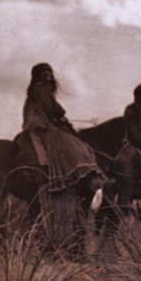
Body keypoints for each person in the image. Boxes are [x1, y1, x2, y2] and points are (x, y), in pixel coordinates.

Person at [22, 62, 104, 192]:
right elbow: (50, 109)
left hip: (37, 123)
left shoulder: (35, 89)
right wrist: (60, 117)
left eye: (49, 72)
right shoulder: (42, 87)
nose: (47, 74)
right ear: (38, 76)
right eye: (44, 72)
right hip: (42, 125)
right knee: (70, 143)